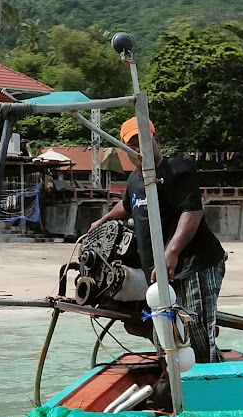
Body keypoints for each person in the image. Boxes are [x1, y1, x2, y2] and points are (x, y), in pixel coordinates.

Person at [89, 117, 226, 362]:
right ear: (125, 150)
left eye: (144, 140)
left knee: (195, 330)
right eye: (132, 144)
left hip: (195, 264)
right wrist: (103, 220)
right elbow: (127, 206)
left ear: (156, 140)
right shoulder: (134, 181)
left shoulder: (177, 169)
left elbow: (192, 211)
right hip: (159, 274)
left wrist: (171, 251)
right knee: (165, 335)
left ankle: (209, 376)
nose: (139, 148)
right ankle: (172, 380)